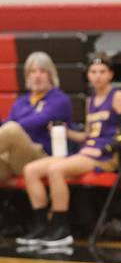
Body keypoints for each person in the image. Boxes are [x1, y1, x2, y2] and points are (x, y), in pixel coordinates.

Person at [16, 52, 121, 249]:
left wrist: (106, 148)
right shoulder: (91, 100)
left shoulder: (118, 96)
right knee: (31, 170)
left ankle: (61, 228)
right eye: (93, 72)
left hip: (104, 156)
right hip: (86, 152)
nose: (97, 76)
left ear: (110, 74)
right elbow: (88, 135)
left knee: (56, 170)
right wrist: (66, 132)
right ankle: (43, 225)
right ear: (88, 75)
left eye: (102, 72)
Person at [0, 52, 72, 185]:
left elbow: (33, 123)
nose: (37, 76)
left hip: (42, 157)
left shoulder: (60, 100)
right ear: (27, 76)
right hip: (15, 158)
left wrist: (8, 124)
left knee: (12, 130)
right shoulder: (21, 101)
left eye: (42, 71)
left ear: (51, 75)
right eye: (33, 71)